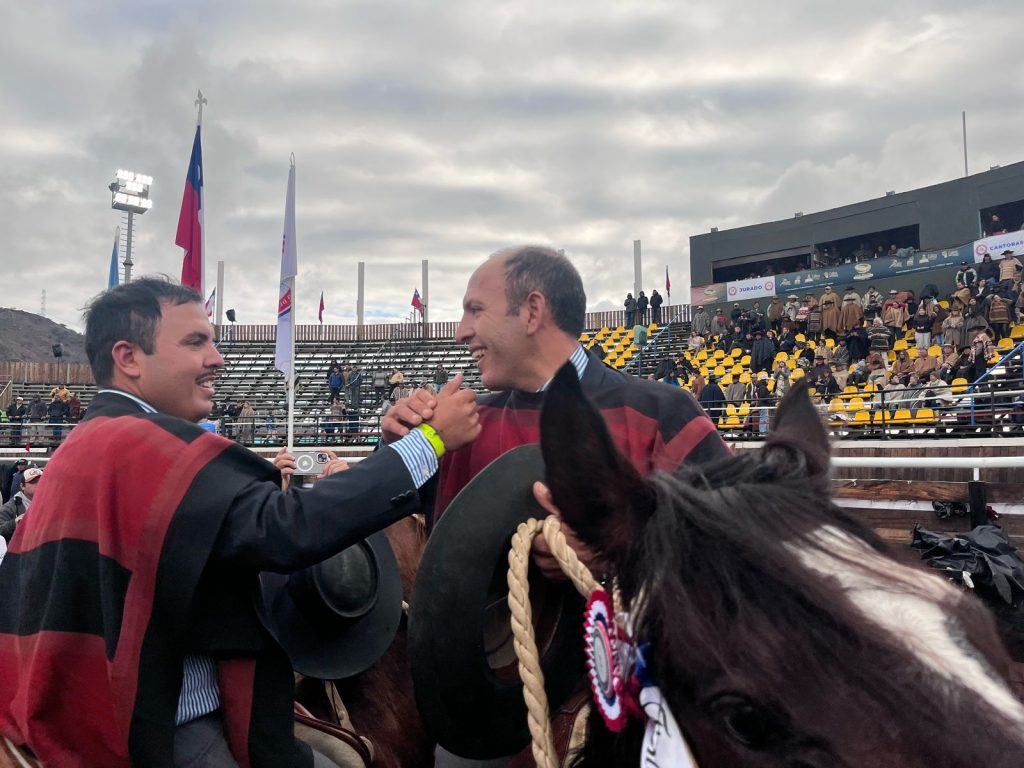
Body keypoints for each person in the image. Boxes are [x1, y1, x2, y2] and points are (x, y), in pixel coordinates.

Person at [0, 278, 481, 768]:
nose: (217, 358)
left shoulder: (94, 441)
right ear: (128, 358)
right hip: (168, 728)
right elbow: (287, 527)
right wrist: (430, 443)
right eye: (195, 342)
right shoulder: (137, 444)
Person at [380, 247, 727, 766]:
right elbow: (400, 537)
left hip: (633, 724)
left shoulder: (661, 414)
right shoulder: (461, 428)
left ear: (532, 310)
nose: (459, 331)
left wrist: (613, 555)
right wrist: (399, 448)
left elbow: (735, 561)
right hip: (487, 722)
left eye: (476, 310)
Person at [0, 467, 41, 543]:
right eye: (33, 482)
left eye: (42, 481)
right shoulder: (10, 507)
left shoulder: (51, 503)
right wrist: (14, 523)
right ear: (22, 486)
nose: (38, 484)